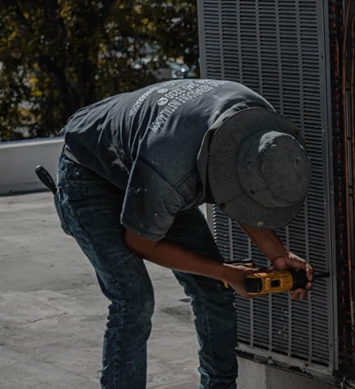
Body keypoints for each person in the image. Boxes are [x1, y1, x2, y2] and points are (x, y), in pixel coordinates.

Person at [52, 79, 314, 389]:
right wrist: (226, 271)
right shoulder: (171, 173)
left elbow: (241, 191)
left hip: (151, 159)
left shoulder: (260, 126)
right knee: (134, 300)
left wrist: (278, 255)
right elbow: (142, 244)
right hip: (89, 171)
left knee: (213, 290)